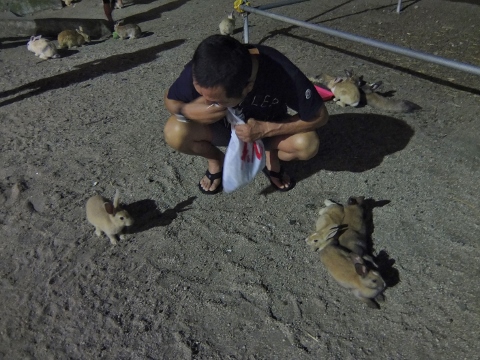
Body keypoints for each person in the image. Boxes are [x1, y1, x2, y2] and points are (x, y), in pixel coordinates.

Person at [163, 35, 329, 194]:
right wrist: (186, 110)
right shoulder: (204, 69)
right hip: (221, 129)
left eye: (216, 100)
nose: (206, 103)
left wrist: (266, 129)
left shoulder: (281, 71)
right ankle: (216, 160)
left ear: (247, 88)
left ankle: (270, 156)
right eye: (201, 94)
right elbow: (170, 99)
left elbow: (320, 115)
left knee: (307, 144)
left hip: (265, 127)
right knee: (175, 131)